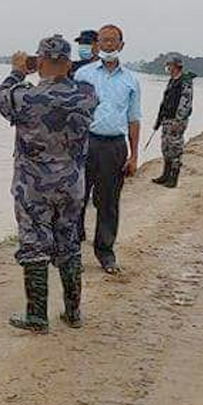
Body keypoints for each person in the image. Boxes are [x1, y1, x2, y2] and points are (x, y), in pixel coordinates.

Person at [0, 35, 98, 332]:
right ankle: (73, 312)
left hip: (33, 186)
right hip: (72, 185)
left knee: (34, 246)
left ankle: (38, 315)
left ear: (39, 61)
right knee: (69, 245)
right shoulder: (87, 94)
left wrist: (17, 70)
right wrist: (57, 70)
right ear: (68, 62)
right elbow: (74, 84)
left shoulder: (24, 96)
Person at [74, 24, 142, 274]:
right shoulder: (83, 75)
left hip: (114, 146)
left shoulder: (131, 80)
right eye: (103, 40)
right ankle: (73, 251)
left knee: (109, 202)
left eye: (113, 41)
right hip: (86, 143)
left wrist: (134, 155)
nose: (108, 45)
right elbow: (73, 113)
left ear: (121, 45)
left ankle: (105, 253)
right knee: (77, 199)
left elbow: (134, 119)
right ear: (97, 45)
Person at [152, 53, 195, 188]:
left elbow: (185, 102)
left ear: (176, 66)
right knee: (166, 147)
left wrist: (179, 119)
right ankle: (165, 175)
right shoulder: (172, 81)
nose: (167, 68)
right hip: (167, 119)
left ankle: (173, 178)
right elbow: (164, 102)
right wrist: (158, 120)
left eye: (169, 65)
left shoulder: (185, 81)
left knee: (175, 148)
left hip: (177, 120)